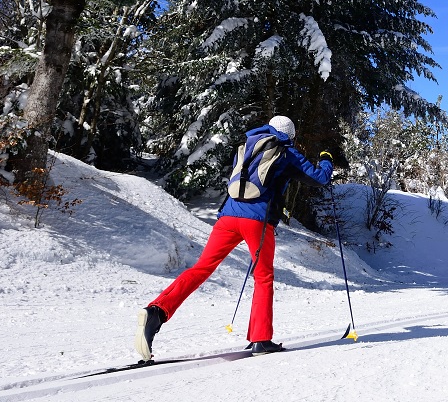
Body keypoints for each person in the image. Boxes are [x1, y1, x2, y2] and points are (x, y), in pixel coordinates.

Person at [135, 115, 333, 360]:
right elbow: (319, 178)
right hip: (257, 222)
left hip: (228, 217)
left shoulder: (246, 146)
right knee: (263, 277)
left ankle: (157, 310)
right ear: (290, 134)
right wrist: (327, 159)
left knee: (201, 268)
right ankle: (261, 339)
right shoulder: (285, 151)